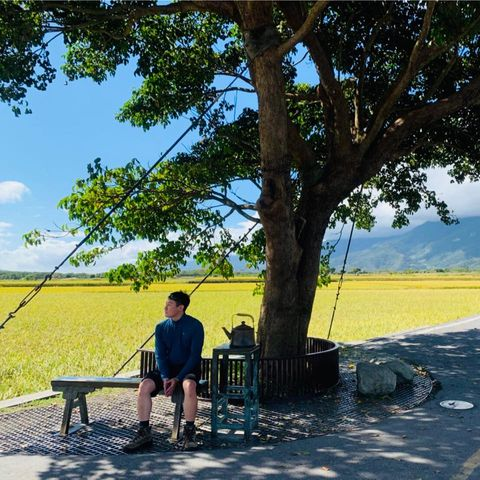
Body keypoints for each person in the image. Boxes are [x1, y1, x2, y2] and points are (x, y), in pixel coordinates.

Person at [123, 291, 204, 452]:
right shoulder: (161, 327)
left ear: (181, 307)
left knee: (189, 386)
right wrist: (166, 377)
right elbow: (159, 355)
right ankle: (144, 432)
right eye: (165, 304)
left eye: (169, 305)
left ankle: (189, 433)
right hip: (166, 370)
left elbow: (195, 356)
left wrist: (178, 378)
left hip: (187, 369)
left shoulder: (195, 326)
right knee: (144, 386)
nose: (165, 308)